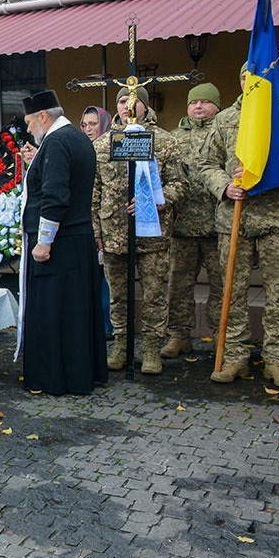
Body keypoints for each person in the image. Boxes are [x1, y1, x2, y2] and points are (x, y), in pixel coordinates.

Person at [199, 64, 279, 388]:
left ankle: (276, 361)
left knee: (278, 294)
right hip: (235, 221)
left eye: (258, 77)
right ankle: (234, 357)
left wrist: (271, 175)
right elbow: (206, 164)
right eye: (245, 77)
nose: (250, 83)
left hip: (278, 220)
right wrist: (224, 186)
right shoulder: (226, 119)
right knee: (231, 294)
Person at [18, 90, 106, 395]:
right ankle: (81, 374)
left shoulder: (55, 143)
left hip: (58, 244)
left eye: (29, 122)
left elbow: (55, 197)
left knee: (55, 313)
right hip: (77, 240)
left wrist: (43, 243)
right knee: (76, 313)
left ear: (43, 116)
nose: (28, 129)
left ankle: (53, 378)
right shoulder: (77, 138)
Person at [94, 86, 187, 374]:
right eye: (122, 101)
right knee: (118, 295)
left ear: (145, 107)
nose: (126, 106)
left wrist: (154, 201)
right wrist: (96, 229)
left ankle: (150, 349)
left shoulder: (164, 142)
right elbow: (94, 191)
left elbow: (180, 184)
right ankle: (121, 344)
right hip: (114, 233)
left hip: (152, 235)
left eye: (133, 102)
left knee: (155, 293)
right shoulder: (102, 145)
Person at [162, 83, 225, 359]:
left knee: (222, 285)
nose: (198, 106)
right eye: (193, 102)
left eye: (205, 102)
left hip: (218, 227)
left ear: (217, 106)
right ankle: (178, 335)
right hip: (182, 228)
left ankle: (222, 338)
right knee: (178, 284)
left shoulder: (224, 132)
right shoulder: (174, 138)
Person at [79, 106, 115, 340]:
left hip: (107, 227)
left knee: (106, 279)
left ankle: (107, 326)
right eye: (85, 125)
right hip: (83, 224)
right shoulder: (80, 149)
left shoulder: (112, 149)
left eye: (93, 124)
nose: (89, 129)